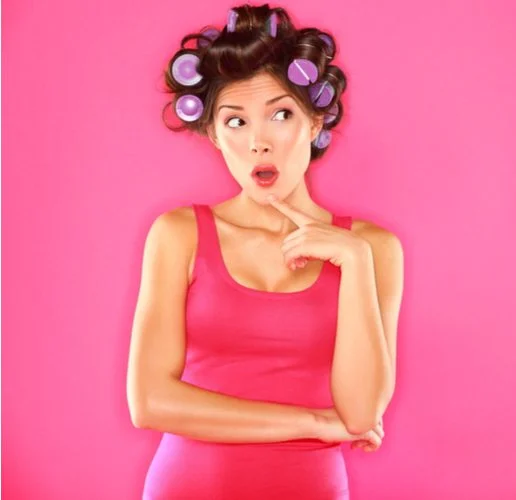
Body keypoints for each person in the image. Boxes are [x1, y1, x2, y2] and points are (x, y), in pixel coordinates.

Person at [125, 4, 403, 498]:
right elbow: (149, 401)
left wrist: (355, 262)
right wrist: (313, 422)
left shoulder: (373, 249)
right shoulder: (179, 234)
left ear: (315, 122)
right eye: (235, 122)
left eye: (281, 114)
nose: (259, 142)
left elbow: (361, 413)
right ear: (213, 134)